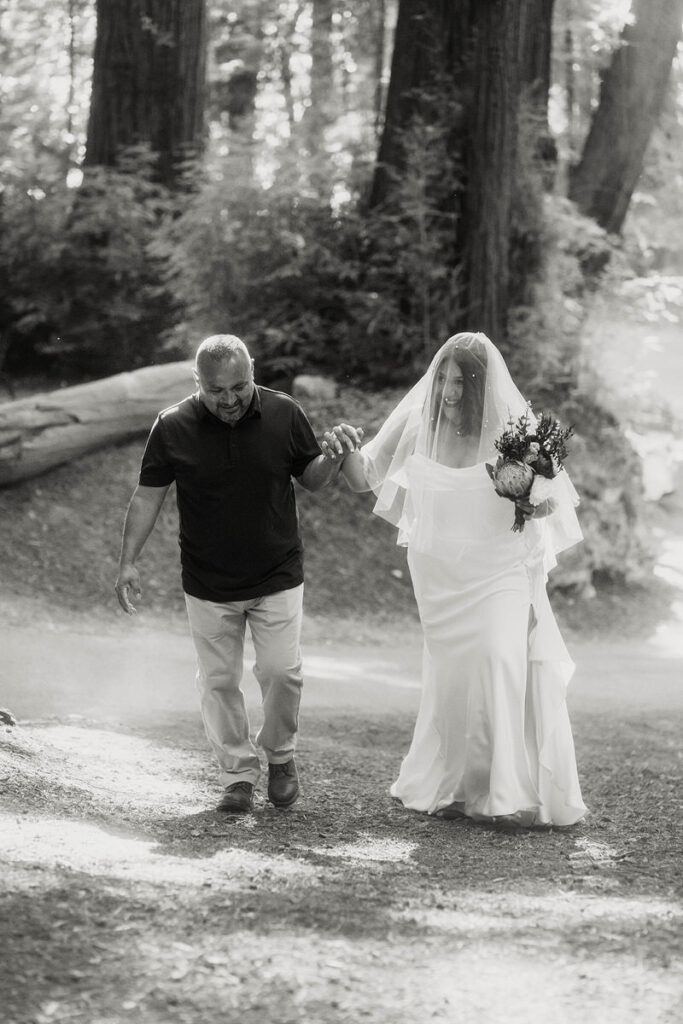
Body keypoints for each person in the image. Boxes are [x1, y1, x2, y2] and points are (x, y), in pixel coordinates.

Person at [323, 332, 586, 829]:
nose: (446, 390)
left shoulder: (512, 429)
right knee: (455, 677)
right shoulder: (416, 420)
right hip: (441, 575)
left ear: (479, 385)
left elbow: (551, 500)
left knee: (497, 659)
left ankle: (504, 793)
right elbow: (365, 477)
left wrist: (532, 500)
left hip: (500, 569)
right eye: (440, 377)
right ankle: (458, 786)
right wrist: (344, 447)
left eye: (458, 381)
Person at [115, 334, 353, 814]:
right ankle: (238, 775)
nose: (229, 400)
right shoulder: (173, 425)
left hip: (277, 573)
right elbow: (148, 495)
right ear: (197, 382)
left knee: (282, 672)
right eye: (215, 390)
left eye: (239, 387)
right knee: (219, 682)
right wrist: (127, 561)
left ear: (253, 373)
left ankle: (281, 756)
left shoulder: (284, 413)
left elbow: (313, 479)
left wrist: (337, 456)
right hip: (208, 580)